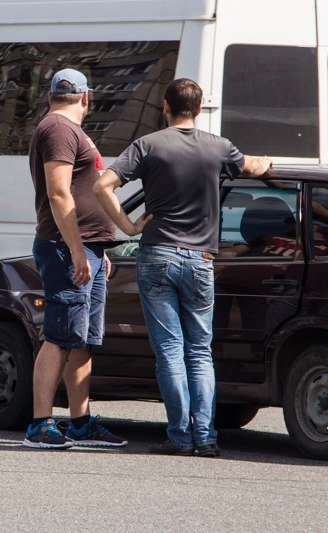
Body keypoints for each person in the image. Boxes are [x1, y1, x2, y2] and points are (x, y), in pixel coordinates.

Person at [93, 78, 272, 457]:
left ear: (164, 106)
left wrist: (127, 227)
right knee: (200, 351)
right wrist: (267, 162)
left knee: (170, 351)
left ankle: (178, 435)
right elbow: (252, 167)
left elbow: (102, 186)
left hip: (157, 254)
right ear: (200, 106)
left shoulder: (148, 145)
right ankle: (205, 438)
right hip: (202, 260)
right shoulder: (218, 147)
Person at [23, 68, 129, 449]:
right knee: (60, 336)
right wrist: (76, 249)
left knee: (80, 338)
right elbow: (58, 193)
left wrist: (98, 249)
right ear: (87, 97)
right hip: (67, 247)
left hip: (88, 248)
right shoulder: (59, 130)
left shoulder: (64, 129)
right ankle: (40, 425)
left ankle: (80, 422)